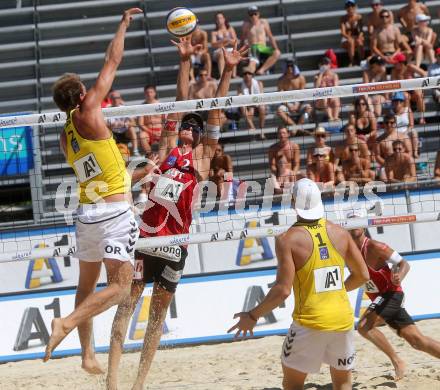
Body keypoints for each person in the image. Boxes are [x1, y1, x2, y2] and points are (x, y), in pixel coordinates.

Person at [106, 39, 247, 390]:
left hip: (175, 243)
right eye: (186, 125)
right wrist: (184, 62)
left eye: (194, 127)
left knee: (156, 318)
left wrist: (228, 70)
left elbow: (215, 113)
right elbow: (179, 104)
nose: (189, 127)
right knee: (126, 305)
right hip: (148, 236)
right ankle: (112, 380)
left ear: (200, 136)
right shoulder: (168, 147)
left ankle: (138, 383)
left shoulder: (201, 156)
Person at [44, 8, 143, 368]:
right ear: (82, 93)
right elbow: (112, 60)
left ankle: (88, 355)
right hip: (114, 211)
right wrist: (122, 24)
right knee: (120, 287)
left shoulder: (64, 135)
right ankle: (65, 323)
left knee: (85, 287)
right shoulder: (88, 110)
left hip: (86, 213)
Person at [228, 178, 369, 390]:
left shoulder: (288, 239)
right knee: (342, 383)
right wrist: (335, 290)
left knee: (292, 385)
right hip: (343, 320)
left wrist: (253, 315)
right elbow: (363, 275)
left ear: (293, 202)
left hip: (310, 323)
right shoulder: (341, 233)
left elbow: (283, 290)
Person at [348, 216, 440, 380]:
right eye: (350, 222)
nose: (354, 226)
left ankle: (397, 362)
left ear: (363, 226)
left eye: (357, 221)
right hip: (381, 298)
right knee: (417, 341)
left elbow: (404, 263)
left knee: (363, 326)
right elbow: (360, 279)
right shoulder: (348, 253)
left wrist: (398, 275)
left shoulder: (375, 246)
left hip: (391, 294)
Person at [241, 5, 281, 75]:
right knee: (252, 62)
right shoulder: (246, 25)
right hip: (254, 48)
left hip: (263, 48)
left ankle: (262, 70)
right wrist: (241, 53)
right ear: (248, 16)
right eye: (251, 14)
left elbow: (270, 36)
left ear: (258, 14)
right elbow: (242, 39)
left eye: (255, 14)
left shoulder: (263, 22)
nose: (253, 16)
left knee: (277, 53)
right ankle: (250, 74)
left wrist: (275, 48)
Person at [276, 60, 311, 132]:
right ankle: (295, 127)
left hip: (299, 102)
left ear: (294, 67)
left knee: (309, 108)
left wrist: (297, 104)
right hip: (287, 103)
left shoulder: (301, 78)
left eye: (291, 66)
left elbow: (303, 94)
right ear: (285, 68)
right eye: (288, 66)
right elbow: (281, 96)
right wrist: (288, 105)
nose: (290, 68)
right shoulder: (281, 80)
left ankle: (298, 125)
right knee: (280, 111)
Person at [391, 53, 427, 123]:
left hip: (413, 91)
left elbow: (424, 74)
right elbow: (392, 85)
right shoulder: (394, 71)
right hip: (402, 92)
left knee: (419, 93)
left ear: (401, 63)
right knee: (405, 96)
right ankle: (409, 119)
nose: (394, 65)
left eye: (395, 63)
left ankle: (422, 117)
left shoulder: (410, 67)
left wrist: (421, 86)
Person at [107, 91, 140, 157]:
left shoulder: (125, 108)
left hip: (125, 134)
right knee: (107, 130)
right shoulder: (107, 109)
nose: (115, 99)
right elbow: (106, 124)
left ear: (120, 99)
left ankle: (135, 151)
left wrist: (125, 123)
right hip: (114, 134)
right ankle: (109, 153)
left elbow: (134, 123)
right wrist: (114, 124)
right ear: (110, 99)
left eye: (117, 98)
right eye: (113, 98)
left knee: (131, 129)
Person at [237, 66, 266, 135]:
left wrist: (252, 107)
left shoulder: (259, 83)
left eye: (249, 73)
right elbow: (240, 100)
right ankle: (253, 127)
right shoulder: (239, 86)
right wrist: (250, 107)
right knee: (242, 106)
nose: (247, 75)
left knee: (262, 107)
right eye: (245, 74)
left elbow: (261, 98)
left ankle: (261, 130)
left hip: (257, 106)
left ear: (252, 75)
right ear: (243, 76)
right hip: (247, 107)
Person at [389, 91, 418, 158]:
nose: (397, 102)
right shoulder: (391, 112)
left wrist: (405, 133)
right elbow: (390, 126)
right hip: (395, 132)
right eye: (395, 101)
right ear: (393, 102)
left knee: (414, 132)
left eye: (399, 101)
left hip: (406, 131)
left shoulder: (407, 110)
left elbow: (411, 125)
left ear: (402, 102)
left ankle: (415, 152)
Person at [138, 85, 165, 155]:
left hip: (160, 130)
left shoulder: (161, 105)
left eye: (151, 92)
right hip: (149, 131)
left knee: (171, 134)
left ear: (155, 93)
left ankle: (165, 155)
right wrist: (152, 132)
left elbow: (165, 121)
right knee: (142, 135)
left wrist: (161, 131)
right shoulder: (142, 107)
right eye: (147, 92)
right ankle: (150, 156)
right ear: (144, 94)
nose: (149, 94)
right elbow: (140, 124)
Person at [211, 12, 238, 78]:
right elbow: (213, 44)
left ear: (224, 19)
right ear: (216, 21)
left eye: (220, 18)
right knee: (221, 53)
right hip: (218, 51)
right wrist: (224, 41)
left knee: (233, 52)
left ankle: (233, 74)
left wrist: (226, 41)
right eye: (217, 18)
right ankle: (222, 75)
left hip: (229, 49)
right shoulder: (214, 32)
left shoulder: (230, 29)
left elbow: (235, 41)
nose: (219, 20)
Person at [314, 57, 341, 121]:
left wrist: (331, 96)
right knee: (324, 97)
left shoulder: (334, 75)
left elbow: (336, 88)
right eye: (323, 64)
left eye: (326, 64)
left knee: (336, 98)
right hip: (320, 101)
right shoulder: (317, 76)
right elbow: (316, 87)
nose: (324, 66)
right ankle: (330, 118)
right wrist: (321, 73)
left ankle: (335, 117)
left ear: (329, 65)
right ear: (320, 65)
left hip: (331, 98)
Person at [340, 0, 365, 66]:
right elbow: (342, 32)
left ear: (355, 7)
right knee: (351, 41)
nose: (350, 7)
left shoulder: (359, 17)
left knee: (359, 41)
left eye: (352, 6)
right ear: (346, 8)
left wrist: (359, 37)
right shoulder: (343, 18)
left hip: (356, 37)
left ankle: (361, 60)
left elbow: (361, 31)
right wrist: (349, 37)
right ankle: (352, 61)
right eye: (348, 6)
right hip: (347, 37)